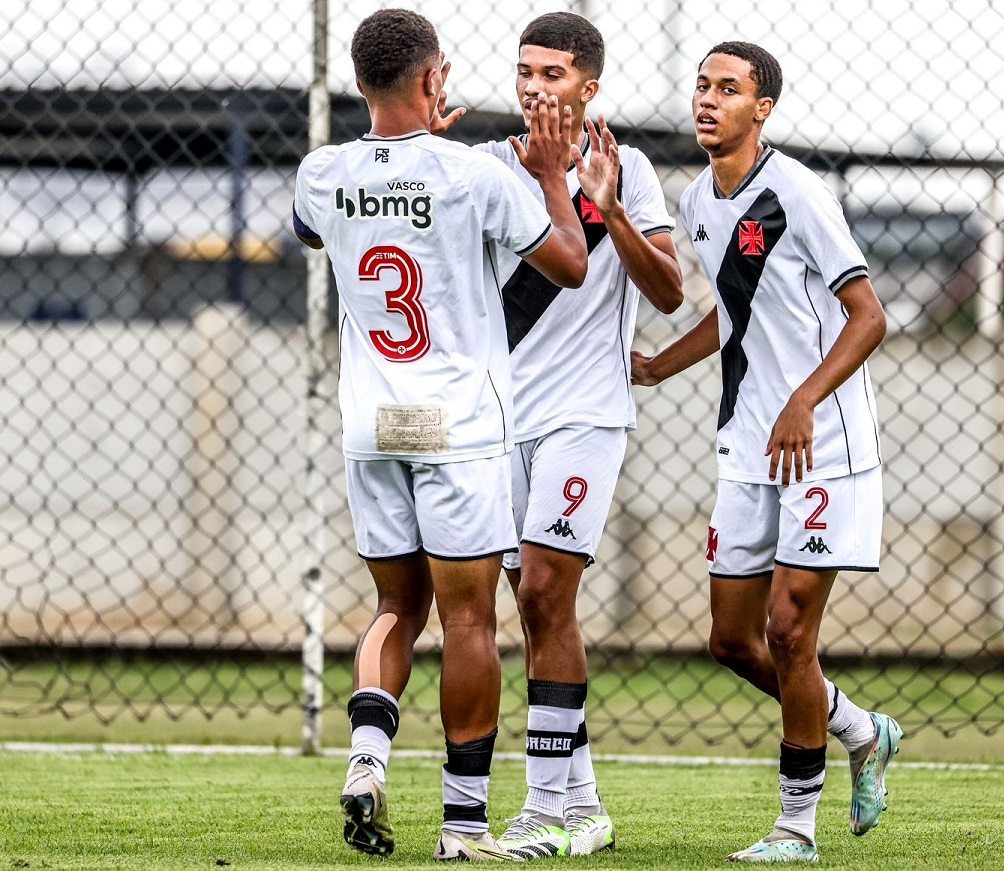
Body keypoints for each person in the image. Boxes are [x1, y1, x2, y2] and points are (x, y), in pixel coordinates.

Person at [291, 8, 602, 861]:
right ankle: (463, 826)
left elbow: (321, 229)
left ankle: (365, 758)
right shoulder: (475, 175)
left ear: (359, 84)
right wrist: (544, 176)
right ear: (435, 80)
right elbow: (572, 264)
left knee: (396, 607)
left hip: (373, 423)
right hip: (457, 426)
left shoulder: (320, 172)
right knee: (469, 623)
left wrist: (403, 149)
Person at [631, 41, 903, 862]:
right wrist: (657, 364)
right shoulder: (697, 201)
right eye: (702, 86)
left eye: (729, 89)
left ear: (764, 108)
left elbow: (869, 315)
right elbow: (735, 313)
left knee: (790, 634)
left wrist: (803, 398)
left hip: (821, 445)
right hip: (748, 446)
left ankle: (795, 827)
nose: (708, 100)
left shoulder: (797, 192)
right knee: (730, 640)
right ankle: (861, 728)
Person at [433, 12, 684, 859]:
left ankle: (540, 812)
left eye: (553, 73)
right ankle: (586, 808)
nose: (535, 86)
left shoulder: (629, 168)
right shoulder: (482, 166)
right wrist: (423, 154)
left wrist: (609, 210)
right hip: (499, 422)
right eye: (525, 71)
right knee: (535, 614)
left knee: (545, 593)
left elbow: (669, 292)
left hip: (587, 414)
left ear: (589, 86)